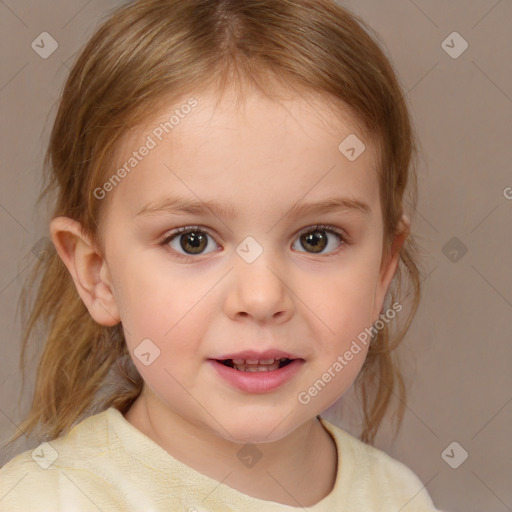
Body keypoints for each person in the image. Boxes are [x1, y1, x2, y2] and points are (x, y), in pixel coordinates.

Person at [0, 0, 445, 510]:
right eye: (193, 240)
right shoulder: (43, 500)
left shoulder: (397, 497)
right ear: (97, 274)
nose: (261, 298)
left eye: (316, 238)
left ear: (383, 271)